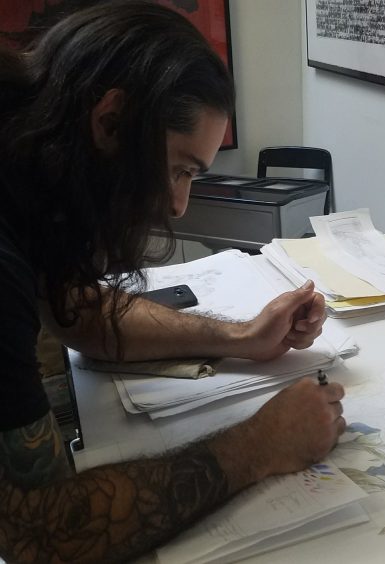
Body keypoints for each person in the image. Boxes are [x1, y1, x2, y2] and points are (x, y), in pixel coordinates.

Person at [0, 1, 346, 562]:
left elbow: (78, 311)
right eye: (181, 169)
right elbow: (39, 536)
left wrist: (241, 337)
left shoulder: (26, 160)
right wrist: (260, 445)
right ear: (111, 122)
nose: (179, 206)